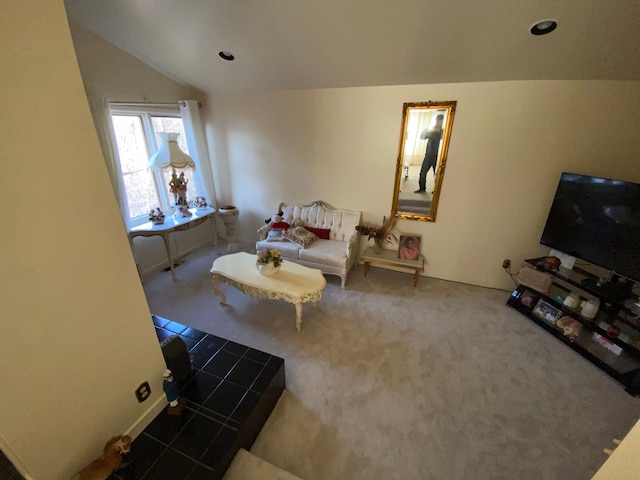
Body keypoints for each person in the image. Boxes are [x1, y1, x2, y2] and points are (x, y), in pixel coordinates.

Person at [414, 114, 444, 193]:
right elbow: (422, 137)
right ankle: (422, 188)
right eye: (437, 120)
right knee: (422, 172)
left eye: (440, 120)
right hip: (428, 154)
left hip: (438, 156)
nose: (438, 121)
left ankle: (437, 191)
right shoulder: (430, 129)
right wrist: (429, 131)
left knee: (438, 175)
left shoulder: (444, 131)